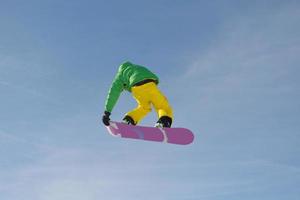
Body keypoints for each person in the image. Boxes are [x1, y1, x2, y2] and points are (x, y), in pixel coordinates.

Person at [102, 61, 173, 128]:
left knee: (143, 107)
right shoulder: (137, 67)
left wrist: (107, 112)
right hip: (150, 84)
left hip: (136, 89)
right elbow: (150, 74)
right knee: (161, 105)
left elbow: (113, 94)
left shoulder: (119, 76)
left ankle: (129, 119)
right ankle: (164, 122)